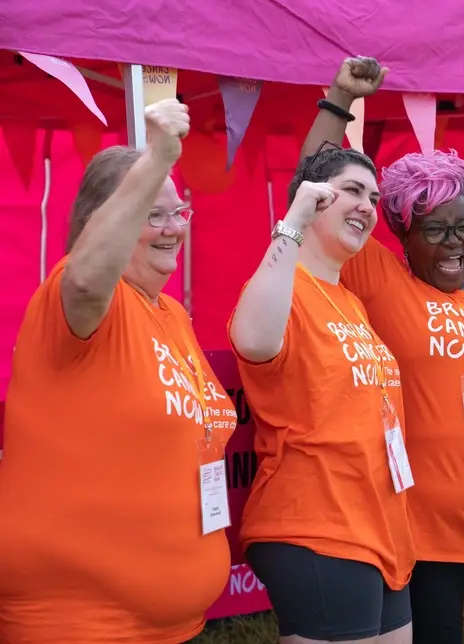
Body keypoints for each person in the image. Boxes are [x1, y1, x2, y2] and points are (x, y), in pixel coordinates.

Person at [302, 58, 464, 644]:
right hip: (423, 537)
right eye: (434, 230)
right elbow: (311, 186)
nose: (455, 244)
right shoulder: (385, 285)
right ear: (400, 233)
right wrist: (340, 97)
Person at [0, 100, 239, 643]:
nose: (173, 228)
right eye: (152, 214)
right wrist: (158, 156)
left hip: (172, 623)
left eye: (179, 212)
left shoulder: (172, 314)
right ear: (98, 224)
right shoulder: (77, 301)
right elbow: (87, 281)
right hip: (79, 621)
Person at [228, 57, 415, 644]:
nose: (367, 205)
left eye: (374, 196)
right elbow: (255, 341)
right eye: (352, 191)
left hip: (380, 525)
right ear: (311, 202)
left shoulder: (350, 298)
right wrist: (294, 214)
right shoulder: (282, 283)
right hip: (315, 524)